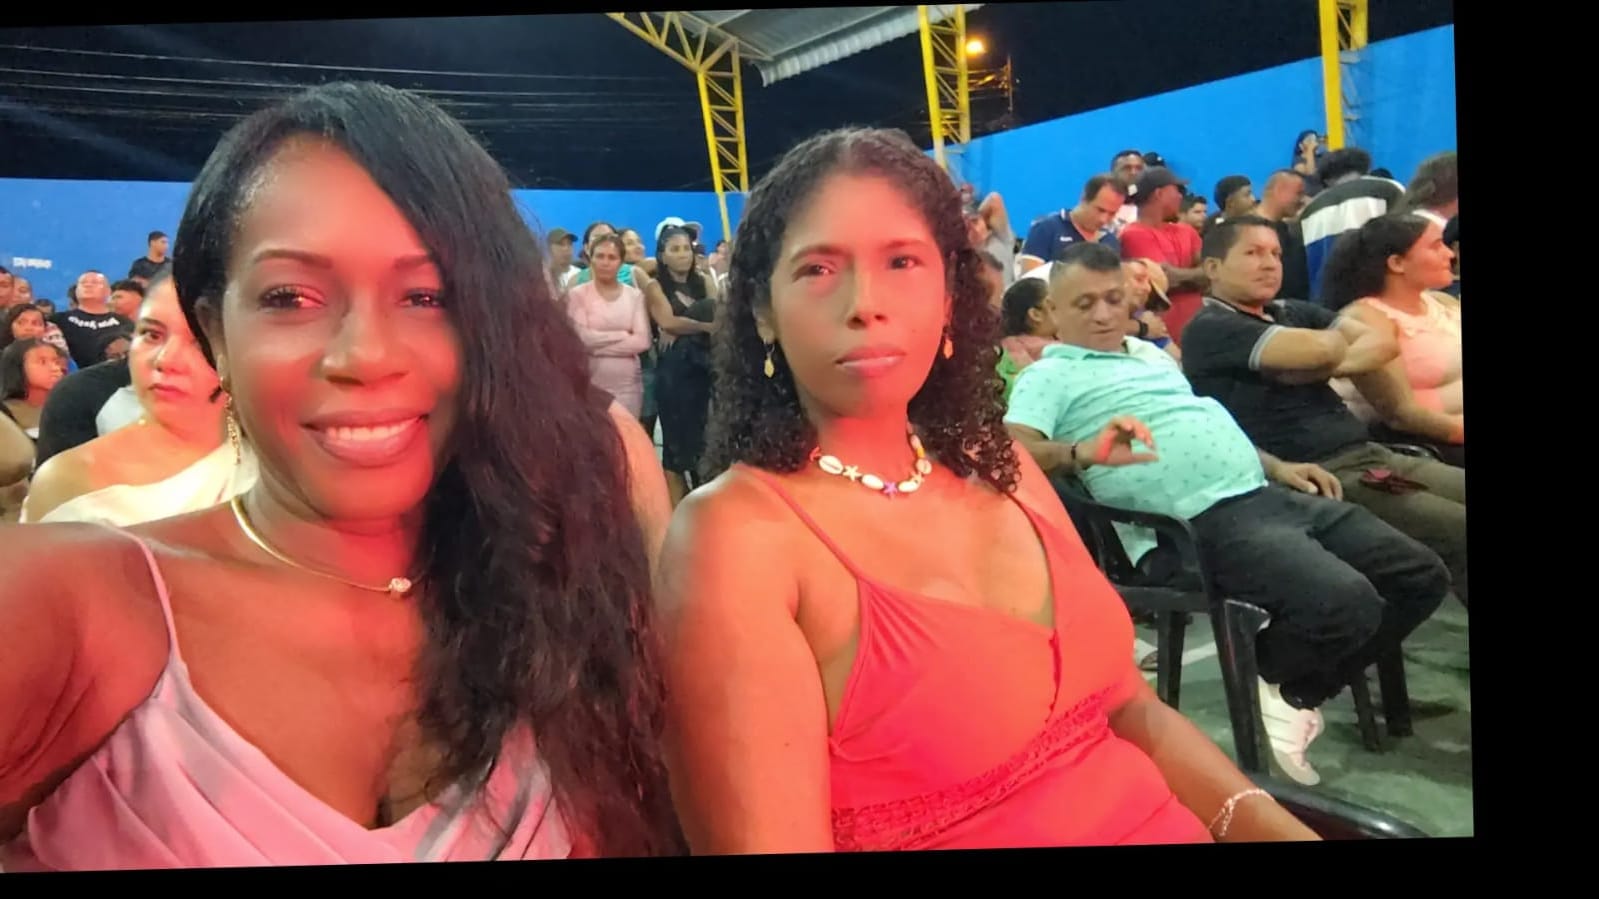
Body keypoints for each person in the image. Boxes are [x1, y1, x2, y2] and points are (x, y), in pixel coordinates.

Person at [0, 81, 681, 870]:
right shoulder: (71, 601)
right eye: (291, 297)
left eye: (426, 295)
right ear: (217, 331)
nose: (364, 355)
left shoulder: (559, 582)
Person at [656, 126, 1320, 855]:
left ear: (948, 295)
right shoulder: (737, 537)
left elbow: (1131, 710)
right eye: (817, 268)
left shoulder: (998, 463)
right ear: (762, 310)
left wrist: (1268, 824)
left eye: (902, 261)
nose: (864, 303)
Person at [1003, 242, 1449, 784]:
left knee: (1419, 575)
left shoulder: (1150, 355)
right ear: (1052, 312)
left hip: (1263, 493)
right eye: (1084, 304)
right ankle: (1283, 679)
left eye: (1113, 299)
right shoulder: (1049, 376)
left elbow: (1199, 422)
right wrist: (1081, 452)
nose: (1102, 314)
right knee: (1345, 601)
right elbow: (1014, 450)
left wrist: (1279, 466)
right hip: (1190, 526)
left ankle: (1287, 686)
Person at [1180, 216, 1467, 608]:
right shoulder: (1212, 327)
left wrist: (1320, 365)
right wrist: (1327, 350)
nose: (1270, 264)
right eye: (1253, 253)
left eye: (1276, 254)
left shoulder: (1291, 311)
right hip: (1316, 473)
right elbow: (1326, 347)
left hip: (1372, 456)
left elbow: (1384, 341)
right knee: (1458, 530)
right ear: (1213, 268)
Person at [20, 275, 254, 526]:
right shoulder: (68, 479)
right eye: (152, 335)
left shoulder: (271, 462)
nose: (165, 359)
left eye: (200, 342)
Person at [1321, 215, 1463, 467]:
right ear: (1397, 263)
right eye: (1435, 246)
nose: (1449, 254)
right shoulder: (1365, 319)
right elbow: (1402, 415)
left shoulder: (1443, 302)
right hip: (1423, 444)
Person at [564, 234, 651, 418]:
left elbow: (642, 341)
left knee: (626, 435)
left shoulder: (634, 296)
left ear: (621, 263)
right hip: (589, 384)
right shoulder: (577, 295)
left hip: (628, 387)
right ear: (591, 259)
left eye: (612, 257)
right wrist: (622, 335)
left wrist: (595, 348)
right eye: (600, 256)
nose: (605, 262)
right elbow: (582, 338)